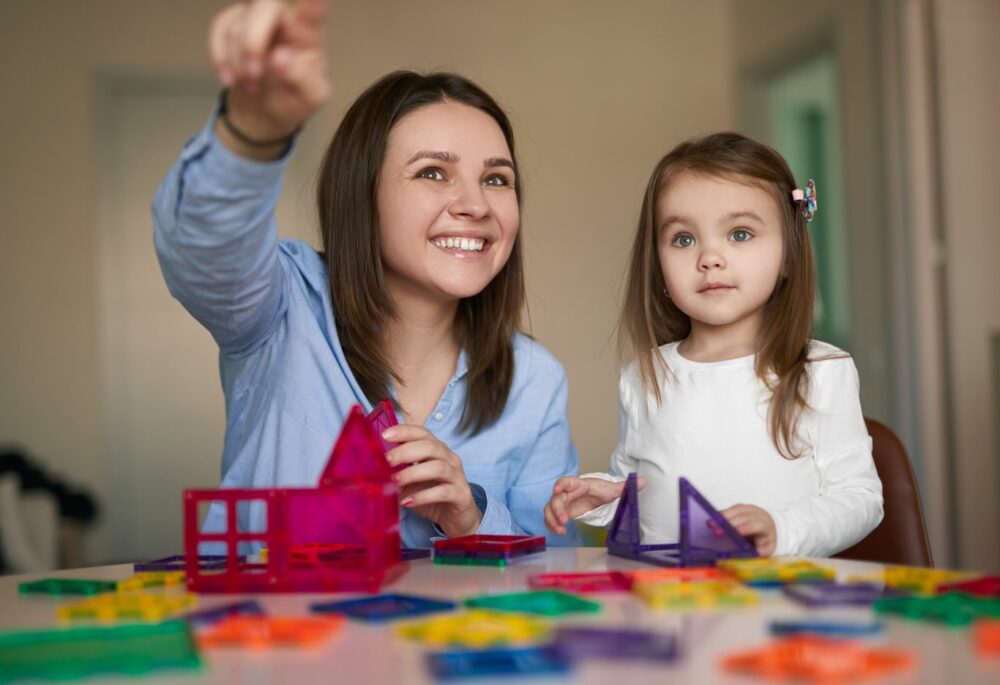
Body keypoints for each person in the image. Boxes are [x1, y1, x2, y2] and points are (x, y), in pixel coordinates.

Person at [152, 0, 578, 547]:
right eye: (432, 172)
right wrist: (252, 131)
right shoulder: (284, 307)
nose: (476, 204)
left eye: (497, 179)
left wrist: (471, 517)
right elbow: (200, 245)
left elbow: (558, 572)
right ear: (363, 196)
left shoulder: (534, 379)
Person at [543, 132, 882, 557]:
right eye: (684, 239)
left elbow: (860, 498)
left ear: (789, 254)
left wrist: (782, 529)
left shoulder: (821, 370)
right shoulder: (644, 375)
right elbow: (642, 487)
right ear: (658, 264)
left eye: (740, 234)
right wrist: (602, 498)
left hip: (776, 605)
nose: (710, 257)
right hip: (668, 604)